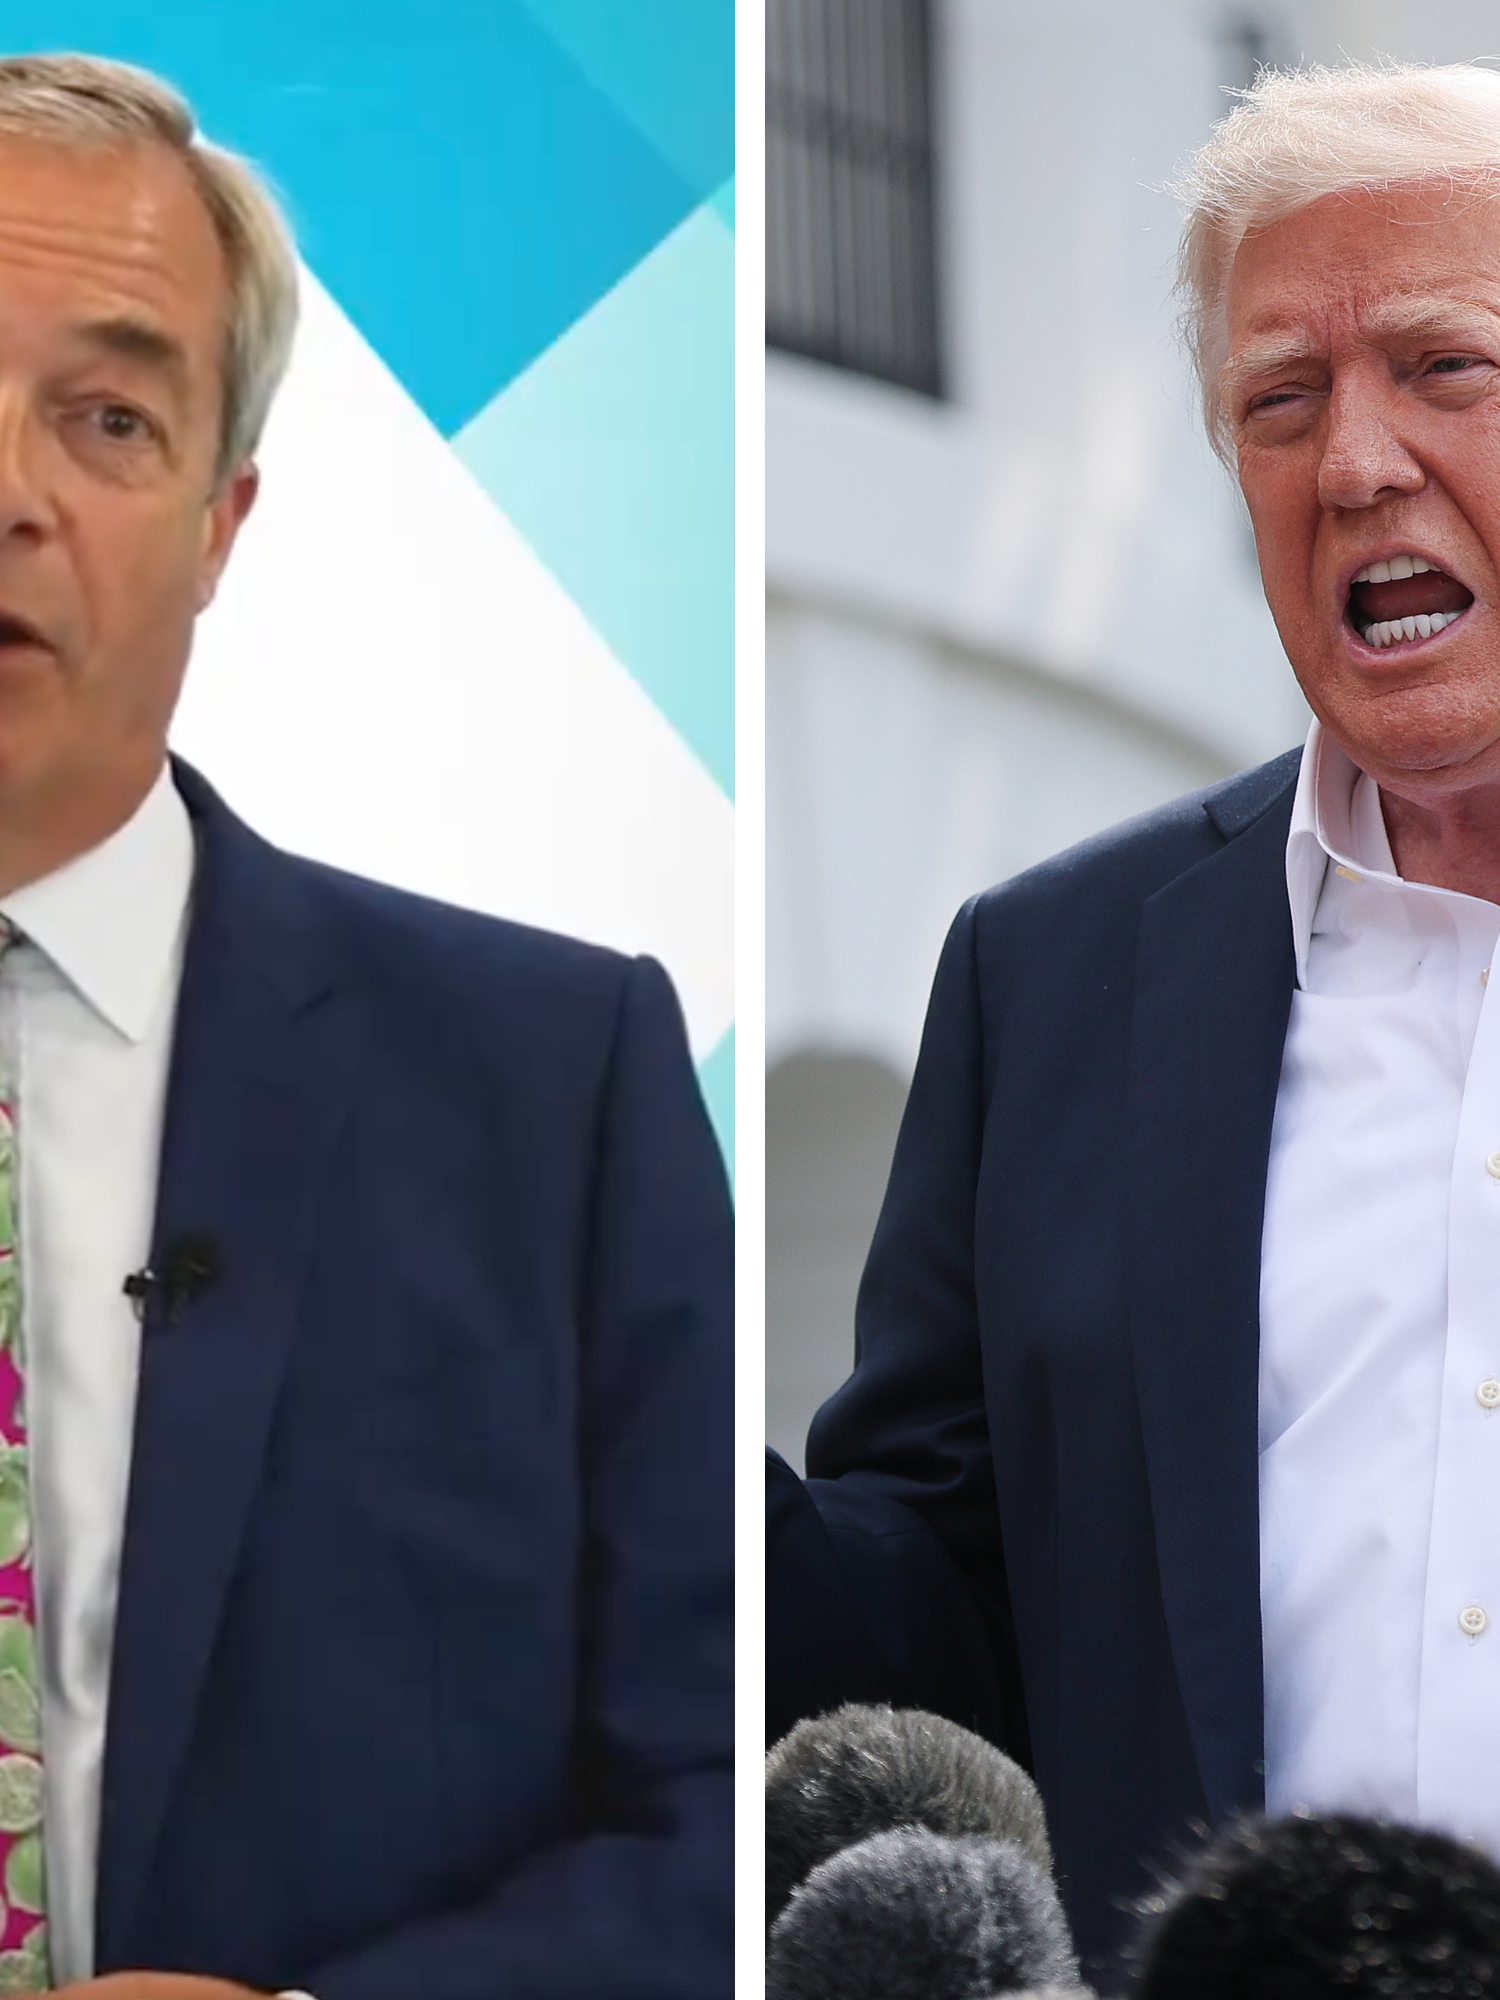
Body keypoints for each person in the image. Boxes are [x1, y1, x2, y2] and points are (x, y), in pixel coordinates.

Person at [0, 49, 732, 2000]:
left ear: (224, 524)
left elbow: (720, 1817)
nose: (8, 493)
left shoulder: (556, 1091)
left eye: (106, 417)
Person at [767, 55, 1500, 1982]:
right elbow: (933, 1619)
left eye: (1445, 366)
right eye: (1280, 399)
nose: (1352, 462)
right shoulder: (1058, 975)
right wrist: (619, 1405)